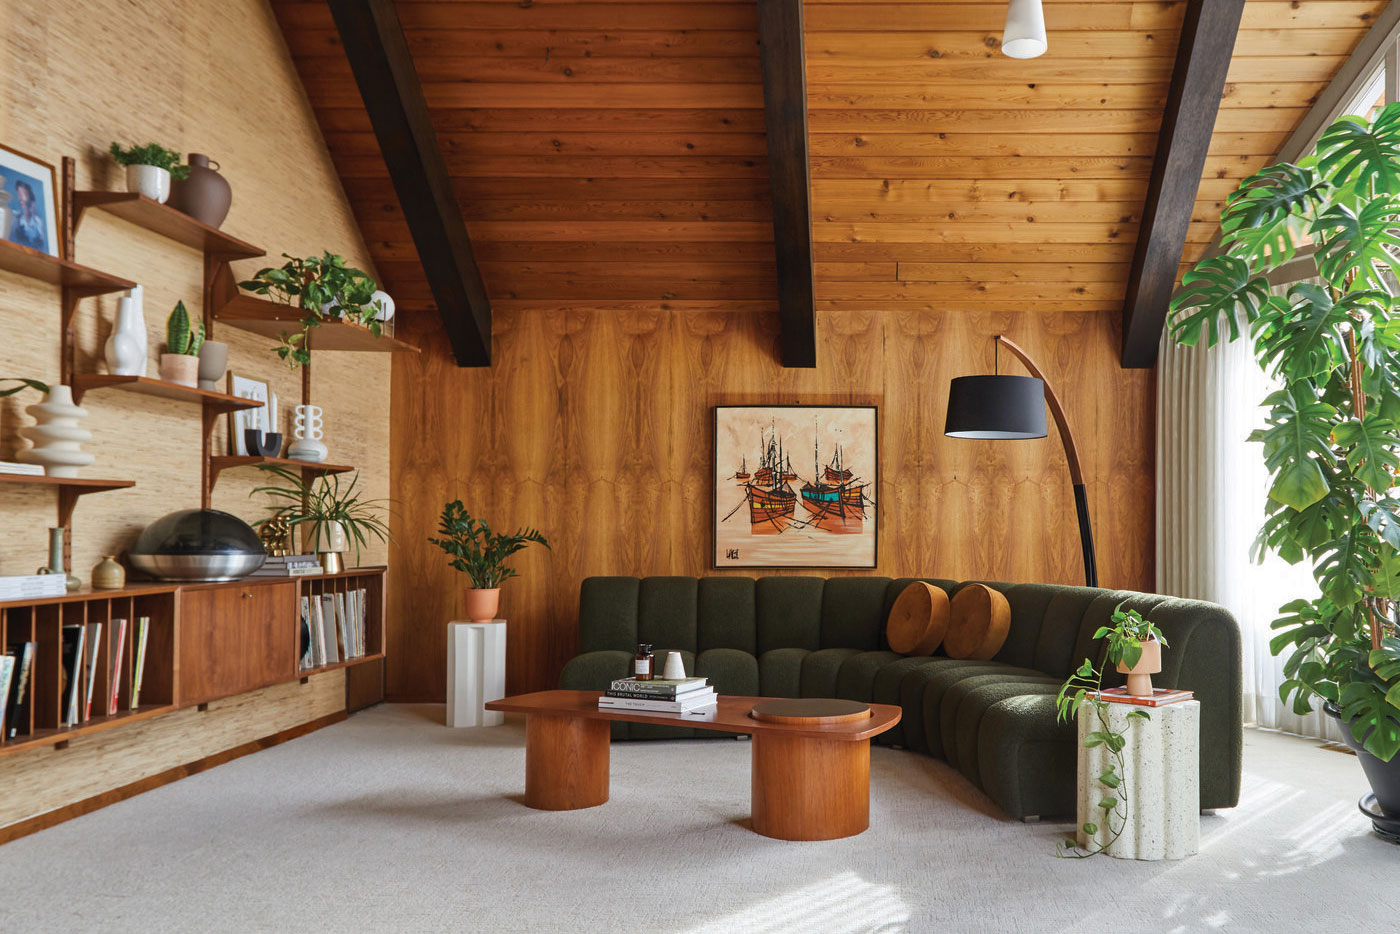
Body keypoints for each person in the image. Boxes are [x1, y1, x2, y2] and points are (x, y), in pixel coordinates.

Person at [10, 179, 47, 252]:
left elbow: (41, 246)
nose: (20, 198)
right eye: (19, 194)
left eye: (23, 194)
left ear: (30, 196)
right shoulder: (14, 217)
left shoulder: (38, 222)